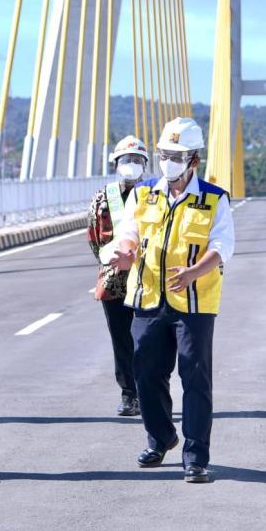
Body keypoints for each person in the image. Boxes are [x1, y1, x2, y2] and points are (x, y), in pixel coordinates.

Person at [109, 117, 235, 483]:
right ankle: (161, 437)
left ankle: (195, 457)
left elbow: (222, 246)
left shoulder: (213, 198)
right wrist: (124, 253)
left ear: (194, 159)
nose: (169, 161)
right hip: (148, 297)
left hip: (194, 304)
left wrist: (195, 272)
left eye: (177, 155)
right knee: (146, 373)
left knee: (195, 378)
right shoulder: (143, 194)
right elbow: (129, 232)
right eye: (165, 154)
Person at [86, 136, 148, 416]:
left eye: (137, 160)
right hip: (113, 281)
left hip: (148, 279)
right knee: (121, 340)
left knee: (148, 340)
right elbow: (94, 237)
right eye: (126, 160)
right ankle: (128, 394)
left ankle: (150, 392)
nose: (131, 165)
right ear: (116, 164)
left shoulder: (154, 194)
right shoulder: (102, 198)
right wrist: (108, 262)